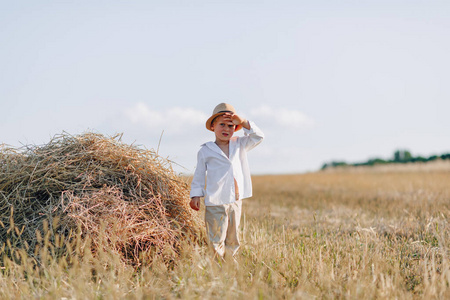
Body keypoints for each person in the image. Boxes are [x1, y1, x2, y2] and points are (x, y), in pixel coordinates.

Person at [189, 103, 264, 261]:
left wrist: (243, 122)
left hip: (235, 200)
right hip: (215, 201)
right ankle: (217, 269)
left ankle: (230, 268)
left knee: (233, 238)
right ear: (213, 127)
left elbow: (258, 136)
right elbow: (199, 174)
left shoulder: (240, 144)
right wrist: (195, 195)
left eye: (231, 125)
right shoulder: (206, 150)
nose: (226, 129)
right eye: (222, 124)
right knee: (216, 238)